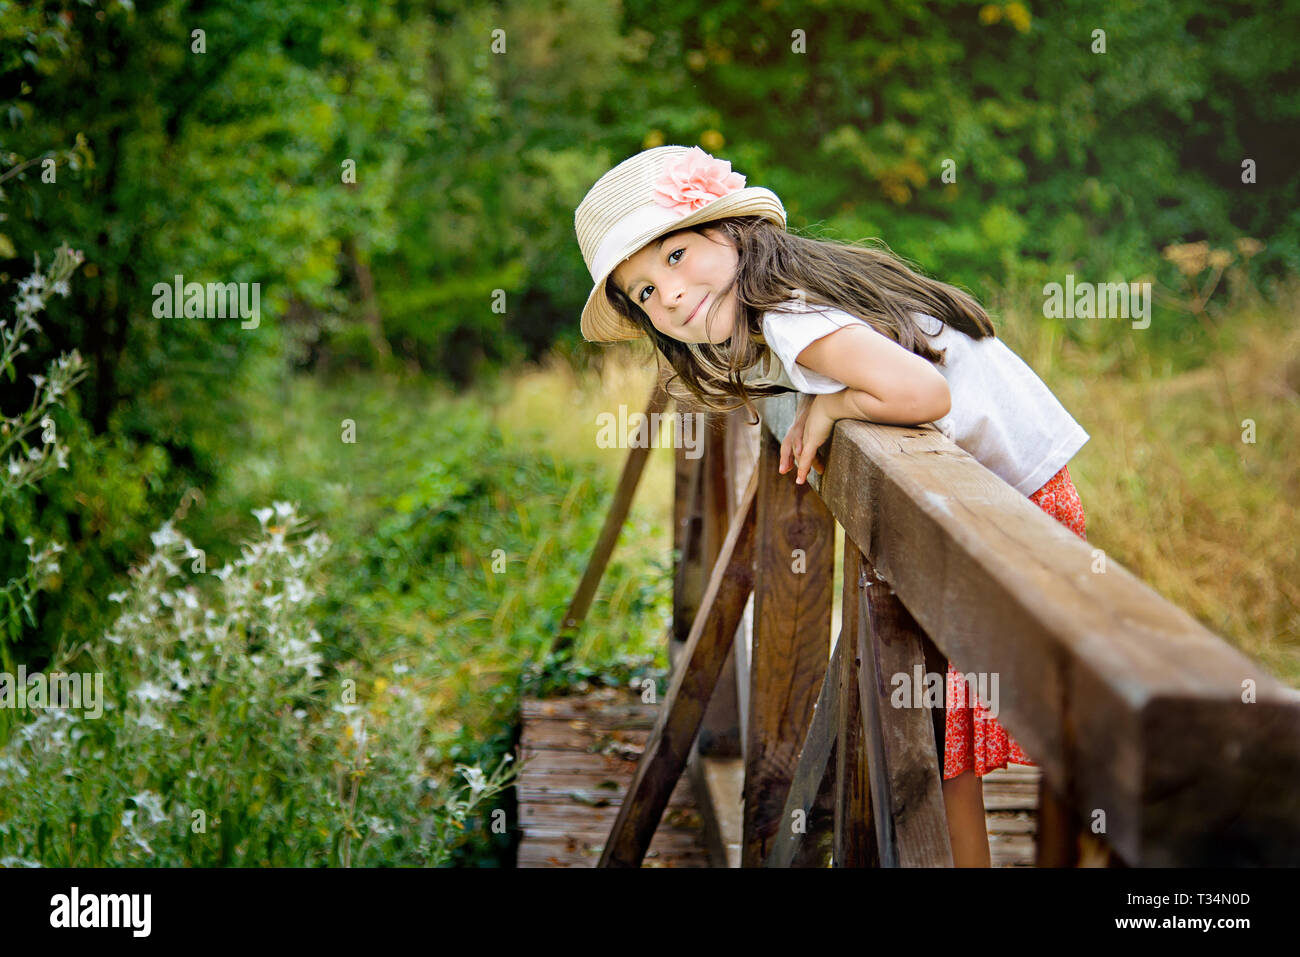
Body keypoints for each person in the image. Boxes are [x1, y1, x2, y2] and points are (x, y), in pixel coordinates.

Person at [573, 144, 1090, 866]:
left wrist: (832, 407)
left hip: (1013, 508)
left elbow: (926, 394)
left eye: (677, 255)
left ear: (731, 232)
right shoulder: (788, 298)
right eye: (646, 294)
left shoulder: (790, 317)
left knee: (972, 738)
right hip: (1005, 497)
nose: (673, 294)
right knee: (948, 738)